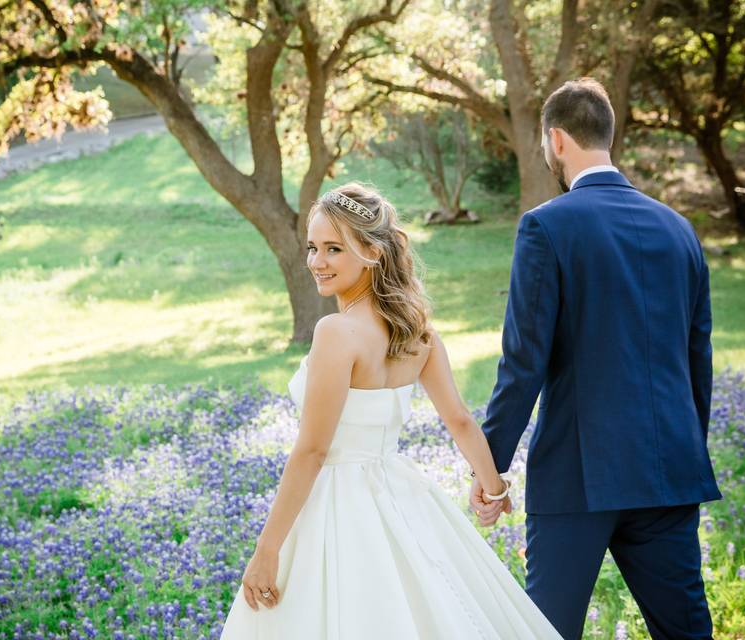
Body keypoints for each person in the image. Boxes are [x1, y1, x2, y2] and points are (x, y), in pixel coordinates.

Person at [220, 183, 560, 638]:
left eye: (334, 249)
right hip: (398, 492)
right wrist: (493, 488)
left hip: (336, 506)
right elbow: (458, 418)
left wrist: (267, 549)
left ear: (373, 253)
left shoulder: (336, 332)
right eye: (313, 247)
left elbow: (313, 451)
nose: (317, 262)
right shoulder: (417, 331)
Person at [472, 78, 722, 639]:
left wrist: (491, 470)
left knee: (546, 632)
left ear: (556, 140)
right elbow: (696, 361)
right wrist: (684, 451)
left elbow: (522, 363)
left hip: (578, 476)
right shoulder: (680, 231)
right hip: (668, 473)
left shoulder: (546, 225)